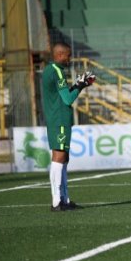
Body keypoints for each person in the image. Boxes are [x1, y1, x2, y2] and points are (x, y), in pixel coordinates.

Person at [41, 42, 95, 211]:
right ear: (59, 55)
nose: (69, 59)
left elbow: (63, 94)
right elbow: (68, 99)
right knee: (59, 158)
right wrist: (80, 86)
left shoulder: (50, 70)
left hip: (56, 119)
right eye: (67, 55)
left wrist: (77, 85)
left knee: (63, 158)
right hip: (60, 120)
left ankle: (63, 199)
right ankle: (57, 201)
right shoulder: (57, 71)